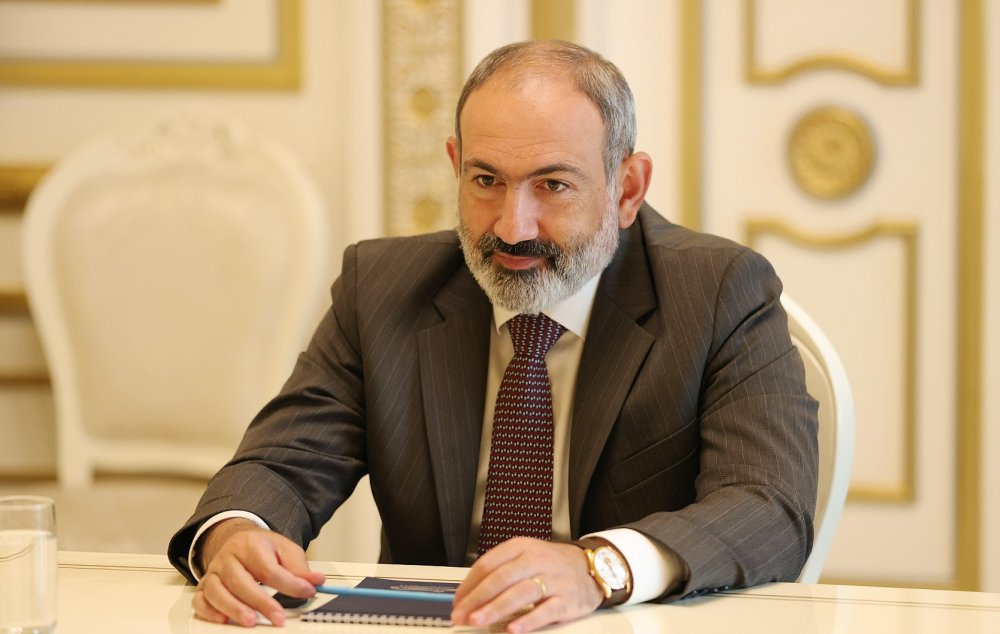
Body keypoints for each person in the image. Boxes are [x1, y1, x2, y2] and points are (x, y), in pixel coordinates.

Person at [168, 40, 818, 633]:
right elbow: (282, 463)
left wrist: (598, 567)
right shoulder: (382, 288)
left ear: (627, 188)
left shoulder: (718, 291)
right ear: (455, 165)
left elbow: (768, 507)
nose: (512, 227)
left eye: (553, 185)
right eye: (486, 181)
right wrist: (235, 534)